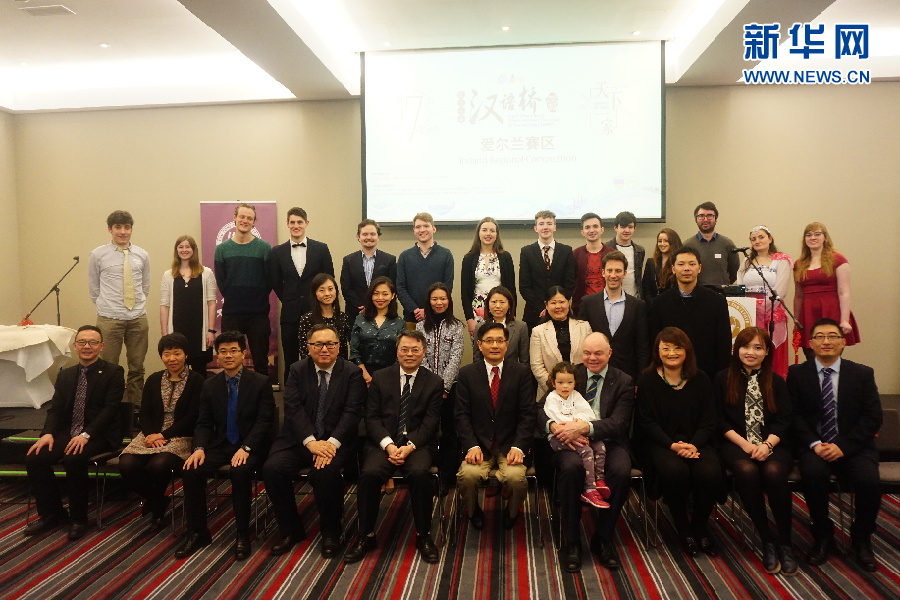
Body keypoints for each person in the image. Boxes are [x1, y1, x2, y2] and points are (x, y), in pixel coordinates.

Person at [262, 324, 365, 558]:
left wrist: (330, 444)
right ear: (308, 348)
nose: (324, 349)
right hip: (300, 440)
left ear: (339, 346)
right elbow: (293, 408)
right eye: (318, 344)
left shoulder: (351, 372)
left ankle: (331, 532)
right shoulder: (297, 370)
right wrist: (310, 442)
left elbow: (352, 412)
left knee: (325, 473)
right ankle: (291, 530)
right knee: (272, 469)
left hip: (335, 442)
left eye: (330, 344)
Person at [788, 318, 882, 573]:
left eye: (832, 336)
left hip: (853, 446)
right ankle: (822, 535)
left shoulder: (862, 373)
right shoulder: (797, 374)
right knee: (812, 474)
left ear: (843, 342)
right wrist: (815, 443)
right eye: (819, 336)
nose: (826, 341)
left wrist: (843, 446)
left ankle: (861, 538)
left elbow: (872, 417)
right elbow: (793, 416)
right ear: (810, 343)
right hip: (815, 446)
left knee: (869, 480)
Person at [344, 330, 444, 564]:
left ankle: (423, 535)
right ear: (396, 351)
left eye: (415, 350)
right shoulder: (380, 378)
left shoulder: (434, 382)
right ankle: (366, 535)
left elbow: (431, 422)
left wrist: (409, 446)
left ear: (424, 352)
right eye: (404, 349)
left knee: (420, 474)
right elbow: (371, 417)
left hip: (417, 445)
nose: (409, 354)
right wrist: (389, 445)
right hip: (383, 443)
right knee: (369, 474)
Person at [175, 331, 275, 561]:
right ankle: (198, 532)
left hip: (250, 445)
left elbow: (264, 421)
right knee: (191, 470)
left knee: (240, 471)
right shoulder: (210, 385)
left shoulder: (260, 382)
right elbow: (203, 422)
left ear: (244, 353)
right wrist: (199, 448)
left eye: (233, 351)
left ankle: (242, 534)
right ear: (217, 356)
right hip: (221, 445)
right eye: (223, 352)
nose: (228, 355)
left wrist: (247, 447)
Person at [540, 333, 634, 572]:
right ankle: (572, 541)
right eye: (587, 353)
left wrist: (586, 427)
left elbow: (619, 422)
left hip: (608, 441)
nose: (592, 358)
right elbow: (540, 408)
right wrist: (552, 426)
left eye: (598, 353)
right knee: (571, 468)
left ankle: (603, 538)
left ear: (609, 353)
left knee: (621, 470)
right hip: (569, 441)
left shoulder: (623, 381)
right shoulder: (572, 373)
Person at [24, 325, 124, 540]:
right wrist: (48, 433)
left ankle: (79, 518)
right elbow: (56, 409)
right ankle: (52, 513)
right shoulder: (66, 375)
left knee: (73, 458)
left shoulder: (114, 372)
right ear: (75, 346)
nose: (87, 346)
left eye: (93, 342)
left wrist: (86, 435)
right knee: (35, 457)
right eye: (82, 342)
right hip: (69, 432)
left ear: (102, 346)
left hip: (99, 435)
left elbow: (110, 410)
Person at [715, 327, 797, 575]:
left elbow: (785, 420)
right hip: (735, 443)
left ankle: (785, 542)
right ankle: (767, 540)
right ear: (737, 349)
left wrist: (767, 445)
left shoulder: (777, 381)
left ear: (767, 352)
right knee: (747, 471)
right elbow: (719, 421)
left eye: (758, 347)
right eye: (745, 346)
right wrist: (746, 445)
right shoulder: (722, 379)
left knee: (773, 471)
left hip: (773, 443)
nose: (750, 352)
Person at [635, 327, 723, 557]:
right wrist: (673, 446)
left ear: (687, 351)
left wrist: (694, 445)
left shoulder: (701, 379)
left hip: (697, 443)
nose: (672, 353)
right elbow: (647, 423)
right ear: (658, 351)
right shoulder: (647, 380)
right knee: (675, 470)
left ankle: (700, 527)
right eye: (666, 348)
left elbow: (709, 420)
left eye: (677, 348)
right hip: (661, 445)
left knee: (710, 472)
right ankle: (683, 529)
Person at [456, 322, 536, 531]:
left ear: (507, 344)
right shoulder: (466, 374)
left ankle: (512, 512)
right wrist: (471, 445)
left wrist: (519, 447)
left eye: (500, 341)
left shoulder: (521, 372)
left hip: (510, 444)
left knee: (516, 478)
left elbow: (528, 415)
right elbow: (461, 415)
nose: (494, 345)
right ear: (479, 345)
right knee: (468, 476)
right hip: (478, 445)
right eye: (489, 341)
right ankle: (473, 512)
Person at [119, 333, 203, 528]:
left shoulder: (197, 380)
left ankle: (155, 505)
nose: (172, 358)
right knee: (126, 464)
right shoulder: (154, 379)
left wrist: (164, 435)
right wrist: (150, 435)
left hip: (180, 436)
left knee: (158, 465)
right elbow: (145, 413)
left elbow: (193, 416)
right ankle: (157, 499)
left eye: (177, 353)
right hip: (150, 434)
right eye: (167, 354)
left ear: (186, 355)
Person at [88, 210, 150, 407]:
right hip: (109, 318)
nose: (123, 232)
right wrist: (107, 306)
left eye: (127, 227)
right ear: (110, 229)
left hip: (137, 318)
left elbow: (145, 286)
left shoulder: (142, 254)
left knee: (137, 367)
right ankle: (108, 409)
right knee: (108, 368)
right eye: (118, 227)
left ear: (131, 229)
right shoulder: (98, 255)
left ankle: (135, 408)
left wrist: (136, 306)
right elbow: (94, 288)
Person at [649, 247, 731, 380]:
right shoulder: (660, 302)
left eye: (692, 264)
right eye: (681, 264)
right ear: (673, 269)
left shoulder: (717, 301)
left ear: (699, 268)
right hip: (670, 374)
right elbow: (654, 341)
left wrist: (721, 377)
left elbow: (724, 344)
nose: (686, 268)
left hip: (707, 373)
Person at [271, 207, 335, 368]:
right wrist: (289, 299)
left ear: (306, 223)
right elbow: (275, 281)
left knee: (318, 356)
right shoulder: (277, 252)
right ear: (287, 224)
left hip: (316, 312)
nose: (296, 226)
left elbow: (329, 279)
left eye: (299, 222)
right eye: (292, 222)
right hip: (290, 313)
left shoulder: (321, 249)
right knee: (290, 358)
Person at [214, 203, 273, 375]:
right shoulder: (222, 249)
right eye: (242, 216)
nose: (245, 220)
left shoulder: (264, 248)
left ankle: (263, 393)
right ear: (234, 218)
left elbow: (269, 280)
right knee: (231, 362)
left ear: (254, 222)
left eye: (249, 218)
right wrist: (235, 296)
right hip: (232, 314)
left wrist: (255, 297)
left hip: (258, 315)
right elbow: (222, 281)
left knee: (261, 362)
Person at [415, 283, 464, 486]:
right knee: (427, 430)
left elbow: (456, 357)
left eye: (443, 298)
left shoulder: (457, 326)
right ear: (429, 301)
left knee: (449, 433)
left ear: (449, 301)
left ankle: (447, 477)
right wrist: (432, 386)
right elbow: (420, 356)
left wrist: (444, 387)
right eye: (434, 299)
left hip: (450, 389)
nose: (439, 302)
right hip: (425, 388)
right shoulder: (420, 326)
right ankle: (427, 473)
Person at [543, 362, 610, 509]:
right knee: (586, 451)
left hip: (577, 433)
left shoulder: (576, 396)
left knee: (599, 445)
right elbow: (556, 418)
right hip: (558, 438)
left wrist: (578, 425)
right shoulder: (551, 398)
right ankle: (589, 489)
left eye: (569, 382)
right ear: (553, 383)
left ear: (575, 383)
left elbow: (588, 414)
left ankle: (599, 480)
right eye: (560, 382)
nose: (565, 386)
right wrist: (573, 429)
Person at [578, 251, 649, 381]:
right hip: (594, 372)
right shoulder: (588, 303)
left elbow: (642, 346)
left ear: (624, 273)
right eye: (609, 270)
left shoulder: (638, 305)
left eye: (618, 271)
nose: (613, 275)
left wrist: (640, 379)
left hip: (627, 373)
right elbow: (581, 341)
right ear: (603, 272)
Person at [793, 222, 860, 355]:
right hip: (808, 314)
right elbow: (798, 296)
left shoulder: (838, 260)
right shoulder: (799, 264)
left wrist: (844, 320)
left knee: (830, 355)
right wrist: (796, 321)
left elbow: (844, 292)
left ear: (825, 237)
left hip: (832, 312)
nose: (813, 238)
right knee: (811, 357)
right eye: (809, 235)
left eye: (817, 234)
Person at [735, 226, 793, 378]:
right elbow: (739, 285)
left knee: (770, 353)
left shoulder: (781, 260)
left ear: (770, 239)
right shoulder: (747, 261)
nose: (757, 241)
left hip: (772, 312)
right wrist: (748, 307)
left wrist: (762, 307)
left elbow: (781, 290)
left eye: (761, 237)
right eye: (753, 239)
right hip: (749, 313)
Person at [160, 235, 218, 375]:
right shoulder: (168, 275)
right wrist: (165, 334)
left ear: (194, 250)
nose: (184, 250)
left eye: (188, 247)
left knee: (200, 372)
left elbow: (211, 302)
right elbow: (164, 305)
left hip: (200, 334)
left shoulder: (206, 273)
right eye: (181, 247)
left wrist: (211, 331)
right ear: (176, 250)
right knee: (178, 372)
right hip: (177, 331)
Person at [529, 286, 592, 401]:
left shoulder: (584, 327)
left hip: (581, 392)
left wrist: (576, 386)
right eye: (553, 303)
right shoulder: (538, 331)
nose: (558, 306)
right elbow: (536, 366)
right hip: (549, 394)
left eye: (562, 302)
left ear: (568, 303)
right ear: (546, 305)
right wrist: (556, 388)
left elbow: (590, 358)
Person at [519, 210, 576, 332]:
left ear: (555, 227)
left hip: (561, 311)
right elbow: (524, 286)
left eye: (549, 223)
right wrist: (543, 307)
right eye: (541, 224)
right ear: (535, 228)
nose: (545, 227)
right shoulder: (526, 252)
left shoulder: (566, 251)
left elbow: (570, 283)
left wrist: (556, 305)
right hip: (535, 313)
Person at [460, 217, 516, 338]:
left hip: (500, 309)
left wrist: (512, 314)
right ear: (478, 233)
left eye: (492, 230)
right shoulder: (469, 258)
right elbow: (465, 292)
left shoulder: (505, 257)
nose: (488, 234)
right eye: (484, 230)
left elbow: (511, 289)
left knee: (500, 344)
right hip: (477, 312)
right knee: (480, 345)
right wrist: (469, 319)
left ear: (497, 234)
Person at [396, 212, 454, 324]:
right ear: (414, 230)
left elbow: (447, 286)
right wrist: (415, 309)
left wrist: (428, 311)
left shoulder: (446, 254)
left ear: (434, 229)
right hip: (412, 317)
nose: (422, 230)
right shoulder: (405, 256)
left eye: (426, 226)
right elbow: (400, 287)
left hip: (439, 318)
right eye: (418, 227)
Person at [349, 276, 407, 386]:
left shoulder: (400, 322)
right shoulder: (360, 319)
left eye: (385, 294)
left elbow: (401, 353)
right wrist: (365, 375)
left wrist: (385, 377)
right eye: (376, 293)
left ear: (393, 295)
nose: (380, 298)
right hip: (361, 375)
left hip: (390, 377)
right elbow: (354, 352)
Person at [340, 219, 397, 315]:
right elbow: (346, 288)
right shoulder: (348, 260)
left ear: (378, 237)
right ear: (358, 237)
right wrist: (362, 306)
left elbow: (392, 287)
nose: (369, 237)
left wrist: (374, 306)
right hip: (356, 311)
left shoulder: (389, 260)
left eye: (373, 234)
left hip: (383, 311)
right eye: (365, 234)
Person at [682, 202, 739, 286]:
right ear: (696, 219)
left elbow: (734, 272)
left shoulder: (728, 244)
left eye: (709, 215)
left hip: (721, 292)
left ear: (715, 219)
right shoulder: (687, 246)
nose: (705, 219)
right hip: (696, 292)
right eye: (701, 216)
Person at [297, 273, 352, 360]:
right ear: (315, 293)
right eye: (322, 290)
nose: (327, 293)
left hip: (339, 365)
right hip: (314, 365)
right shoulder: (307, 319)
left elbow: (344, 349)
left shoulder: (343, 317)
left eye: (330, 289)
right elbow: (304, 351)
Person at [474, 286, 529, 364]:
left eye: (502, 302)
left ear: (509, 305)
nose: (498, 306)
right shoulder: (479, 327)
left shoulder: (520, 327)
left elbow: (524, 360)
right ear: (488, 304)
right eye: (494, 302)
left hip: (512, 370)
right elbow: (477, 358)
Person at [571, 212, 612, 314]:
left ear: (602, 230)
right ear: (582, 232)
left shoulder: (612, 254)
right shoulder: (575, 255)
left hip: (609, 306)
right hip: (582, 308)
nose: (592, 230)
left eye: (595, 226)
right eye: (587, 227)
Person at [605, 211, 645, 299]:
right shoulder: (606, 249)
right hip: (611, 298)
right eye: (623, 227)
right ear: (615, 228)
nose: (626, 230)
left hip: (634, 298)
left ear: (634, 228)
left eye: (630, 227)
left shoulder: (640, 250)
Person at [641, 228, 682, 302]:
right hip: (654, 305)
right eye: (660, 241)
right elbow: (646, 289)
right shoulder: (651, 263)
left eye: (666, 241)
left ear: (673, 242)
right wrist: (653, 305)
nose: (662, 244)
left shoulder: (680, 263)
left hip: (674, 304)